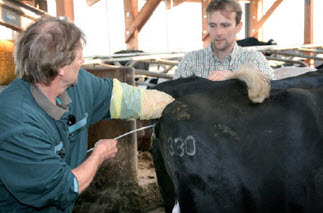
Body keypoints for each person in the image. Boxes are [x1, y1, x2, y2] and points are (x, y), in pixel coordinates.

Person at [0, 17, 174, 212]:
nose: (82, 61)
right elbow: (64, 188)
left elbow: (122, 98)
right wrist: (98, 156)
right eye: (78, 56)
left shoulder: (79, 84)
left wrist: (175, 104)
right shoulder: (16, 124)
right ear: (61, 68)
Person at [175, 0, 275, 81]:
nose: (218, 32)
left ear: (238, 27)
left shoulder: (254, 59)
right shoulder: (190, 61)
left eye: (225, 25)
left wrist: (238, 76)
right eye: (213, 25)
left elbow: (271, 86)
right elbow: (172, 95)